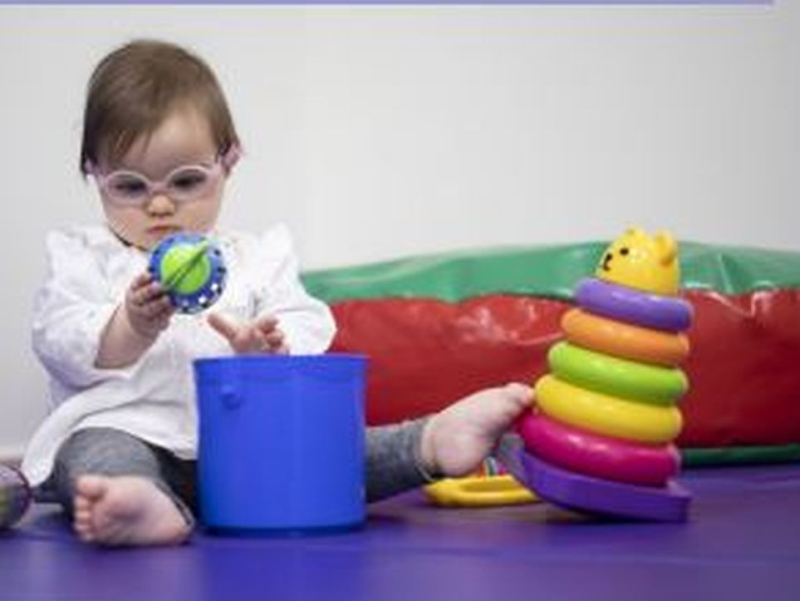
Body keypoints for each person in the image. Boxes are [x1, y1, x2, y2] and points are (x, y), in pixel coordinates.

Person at [22, 39, 533, 547]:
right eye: (130, 187)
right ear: (94, 173)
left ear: (228, 163)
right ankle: (140, 501)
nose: (159, 206)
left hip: (244, 437)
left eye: (185, 181)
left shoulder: (256, 258)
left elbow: (304, 320)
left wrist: (265, 352)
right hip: (129, 432)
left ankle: (428, 442)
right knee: (91, 456)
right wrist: (129, 325)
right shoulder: (81, 257)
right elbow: (59, 340)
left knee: (320, 450)